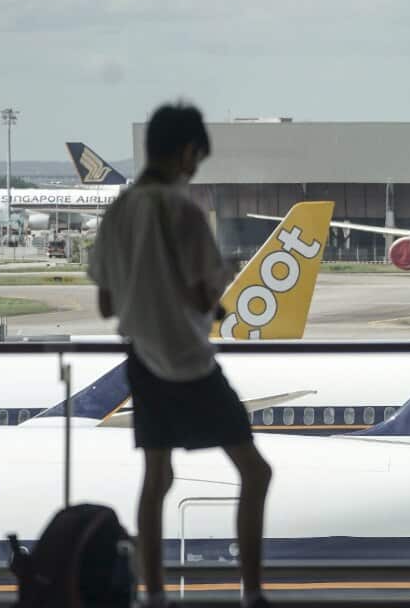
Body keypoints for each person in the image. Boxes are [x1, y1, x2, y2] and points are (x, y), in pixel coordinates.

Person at [88, 102, 272, 608]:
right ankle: (253, 591)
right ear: (187, 152)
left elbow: (106, 304)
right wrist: (219, 280)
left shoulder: (119, 212)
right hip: (190, 362)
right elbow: (202, 296)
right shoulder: (184, 212)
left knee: (156, 480)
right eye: (196, 159)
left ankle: (154, 594)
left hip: (143, 362)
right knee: (255, 472)